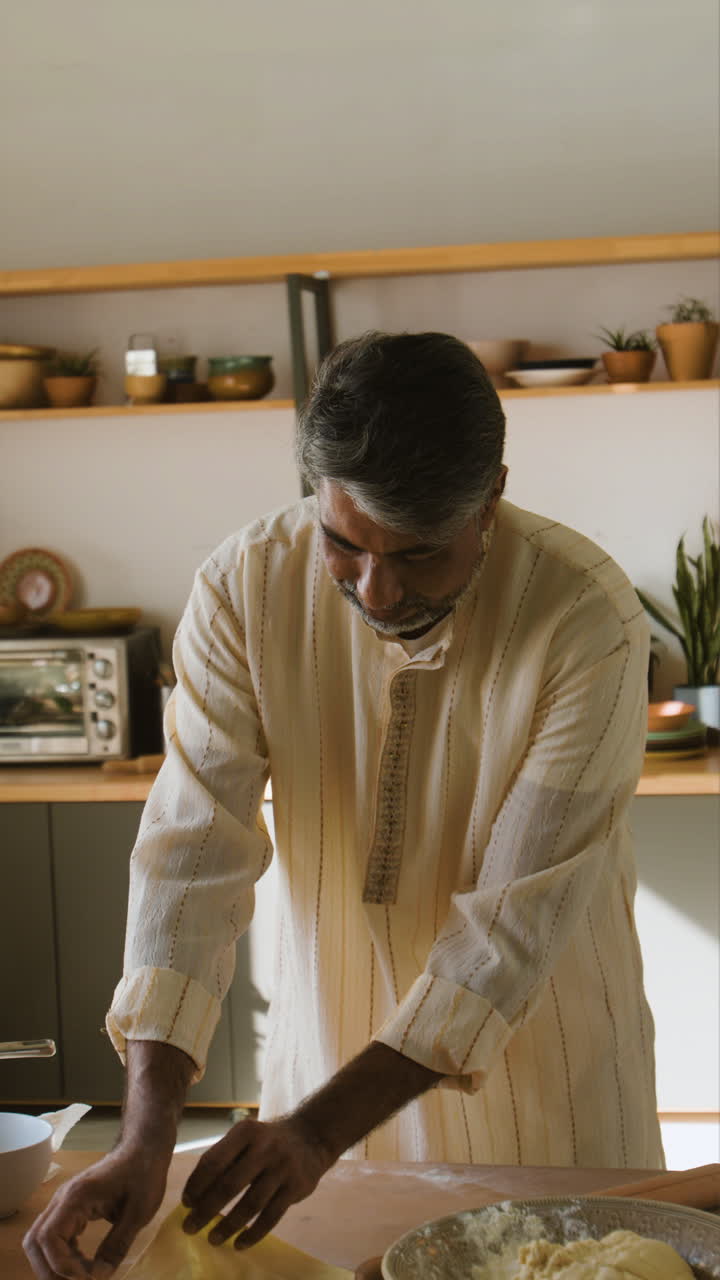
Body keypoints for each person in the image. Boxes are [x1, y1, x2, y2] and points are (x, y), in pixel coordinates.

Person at [24, 331, 664, 1278]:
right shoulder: (244, 590)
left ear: (489, 501)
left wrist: (314, 1133)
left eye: (417, 555)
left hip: (551, 1102)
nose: (377, 589)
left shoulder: (587, 619)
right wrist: (145, 1135)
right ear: (313, 492)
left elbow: (509, 934)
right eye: (343, 543)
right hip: (320, 1109)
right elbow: (191, 864)